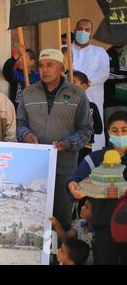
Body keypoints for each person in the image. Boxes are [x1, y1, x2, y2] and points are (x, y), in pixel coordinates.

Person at [17, 49, 93, 231]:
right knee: (34, 218)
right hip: (34, 168)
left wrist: (68, 143)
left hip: (65, 168)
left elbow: (86, 130)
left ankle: (60, 256)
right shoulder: (28, 93)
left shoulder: (77, 94)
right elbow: (19, 124)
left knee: (61, 219)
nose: (44, 70)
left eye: (50, 65)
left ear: (61, 67)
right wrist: (25, 134)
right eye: (41, 65)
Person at [67, 110, 127, 265]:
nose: (120, 134)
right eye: (115, 130)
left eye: (124, 130)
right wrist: (72, 187)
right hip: (103, 227)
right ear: (108, 131)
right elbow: (74, 182)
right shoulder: (96, 158)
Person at [72, 18, 110, 151]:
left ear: (91, 32)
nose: (83, 32)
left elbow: (104, 73)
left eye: (87, 30)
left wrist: (87, 83)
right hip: (70, 98)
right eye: (80, 29)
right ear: (75, 31)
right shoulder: (65, 50)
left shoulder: (100, 52)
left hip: (93, 97)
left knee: (95, 130)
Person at [50, 197, 94, 264]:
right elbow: (66, 239)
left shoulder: (98, 235)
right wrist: (57, 226)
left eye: (86, 207)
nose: (82, 207)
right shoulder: (81, 223)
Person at [71, 71, 103, 162]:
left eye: (73, 82)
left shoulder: (91, 107)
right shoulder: (61, 106)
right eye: (67, 82)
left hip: (85, 148)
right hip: (66, 147)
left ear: (84, 86)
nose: (69, 85)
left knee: (82, 174)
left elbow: (99, 129)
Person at [2, 45, 40, 110]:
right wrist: (15, 56)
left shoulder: (37, 77)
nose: (19, 60)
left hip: (32, 110)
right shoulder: (16, 73)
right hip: (16, 109)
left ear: (31, 62)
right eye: (19, 57)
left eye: (23, 57)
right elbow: (7, 71)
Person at [105, 44, 127, 131]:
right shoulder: (106, 54)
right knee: (112, 133)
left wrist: (115, 73)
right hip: (110, 102)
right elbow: (104, 75)